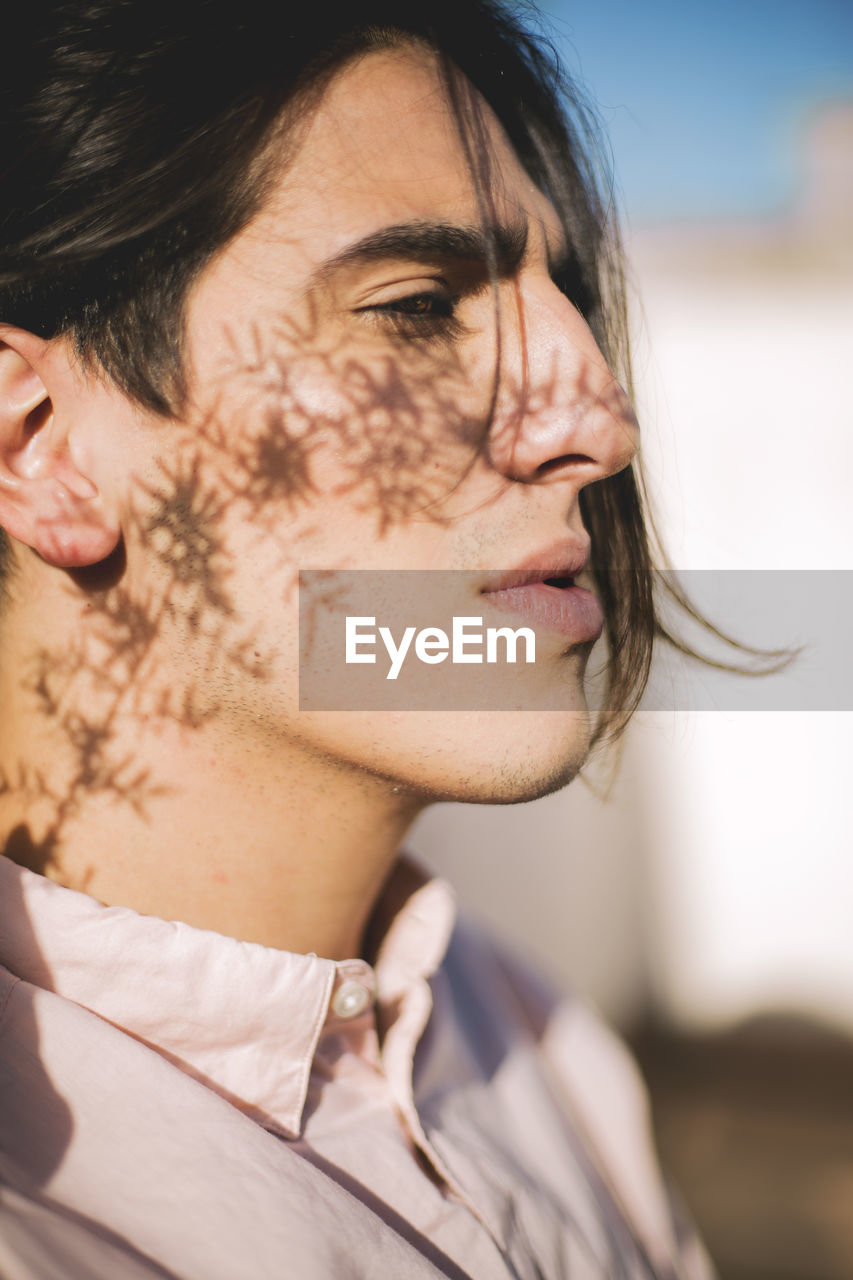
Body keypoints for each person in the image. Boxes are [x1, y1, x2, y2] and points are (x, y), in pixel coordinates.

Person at [0, 1, 717, 1276]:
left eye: (564, 300)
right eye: (419, 304)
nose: (596, 424)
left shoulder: (531, 1037)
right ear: (39, 445)